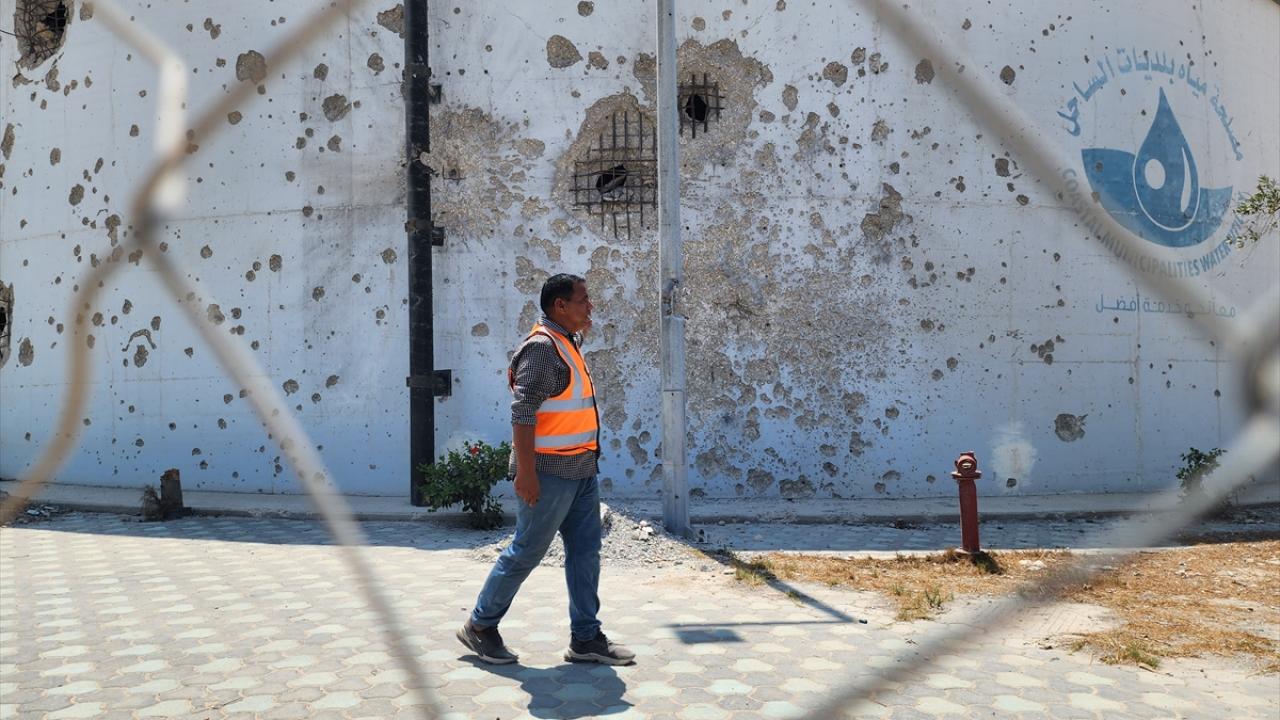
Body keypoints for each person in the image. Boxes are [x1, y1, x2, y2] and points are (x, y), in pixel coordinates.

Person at [457, 273, 636, 666]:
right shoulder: (541, 349)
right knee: (527, 550)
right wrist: (526, 473)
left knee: (586, 553)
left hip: (581, 470)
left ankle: (586, 638)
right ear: (560, 306)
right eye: (583, 300)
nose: (591, 306)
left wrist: (580, 329)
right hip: (548, 472)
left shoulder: (567, 341)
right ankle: (480, 625)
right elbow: (523, 413)